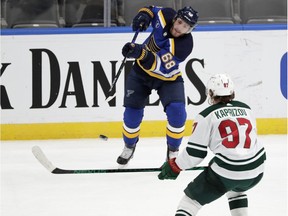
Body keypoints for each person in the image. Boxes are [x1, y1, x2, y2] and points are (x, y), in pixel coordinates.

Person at [158, 74, 266, 216]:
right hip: (257, 170)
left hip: (229, 171)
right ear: (232, 92)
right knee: (236, 188)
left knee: (190, 202)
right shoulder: (247, 109)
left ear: (210, 93)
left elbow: (195, 154)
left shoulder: (206, 116)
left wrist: (175, 166)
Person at [116, 5, 199, 165]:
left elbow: (159, 65)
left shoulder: (184, 46)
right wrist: (143, 16)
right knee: (131, 115)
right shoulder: (165, 14)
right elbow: (151, 9)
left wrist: (140, 53)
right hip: (140, 74)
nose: (180, 28)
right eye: (180, 22)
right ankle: (129, 146)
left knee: (178, 114)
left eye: (186, 27)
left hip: (168, 78)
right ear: (175, 18)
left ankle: (173, 151)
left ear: (190, 30)